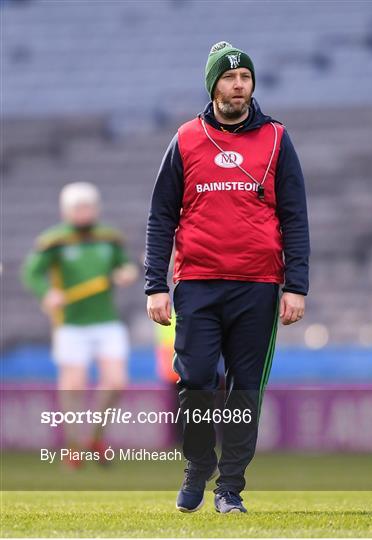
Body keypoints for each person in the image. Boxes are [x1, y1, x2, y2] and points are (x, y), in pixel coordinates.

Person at [145, 41, 310, 513]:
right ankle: (198, 464)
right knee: (195, 379)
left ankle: (230, 489)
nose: (239, 85)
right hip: (197, 283)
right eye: (229, 78)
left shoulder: (277, 138)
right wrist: (156, 284)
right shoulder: (186, 138)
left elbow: (295, 216)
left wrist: (296, 285)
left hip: (258, 286)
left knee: (245, 390)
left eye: (245, 78)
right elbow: (161, 216)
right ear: (213, 84)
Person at [22, 181, 138, 466]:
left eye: (88, 206)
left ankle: (95, 437)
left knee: (117, 382)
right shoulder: (54, 241)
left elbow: (125, 264)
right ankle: (73, 446)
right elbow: (32, 273)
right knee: (73, 386)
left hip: (106, 321)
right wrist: (47, 293)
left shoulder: (109, 238)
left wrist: (127, 272)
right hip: (71, 324)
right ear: (66, 210)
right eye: (78, 207)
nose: (84, 212)